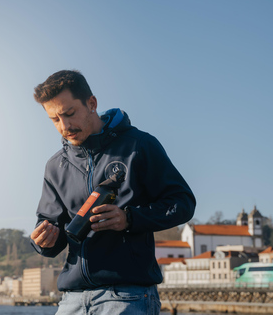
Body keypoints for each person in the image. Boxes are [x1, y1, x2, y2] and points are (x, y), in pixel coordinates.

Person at [30, 70, 196, 314]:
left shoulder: (139, 145)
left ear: (92, 104)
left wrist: (129, 219)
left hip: (127, 296)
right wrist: (43, 241)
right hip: (71, 301)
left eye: (69, 113)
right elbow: (52, 228)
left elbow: (182, 203)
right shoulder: (55, 166)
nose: (64, 126)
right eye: (55, 119)